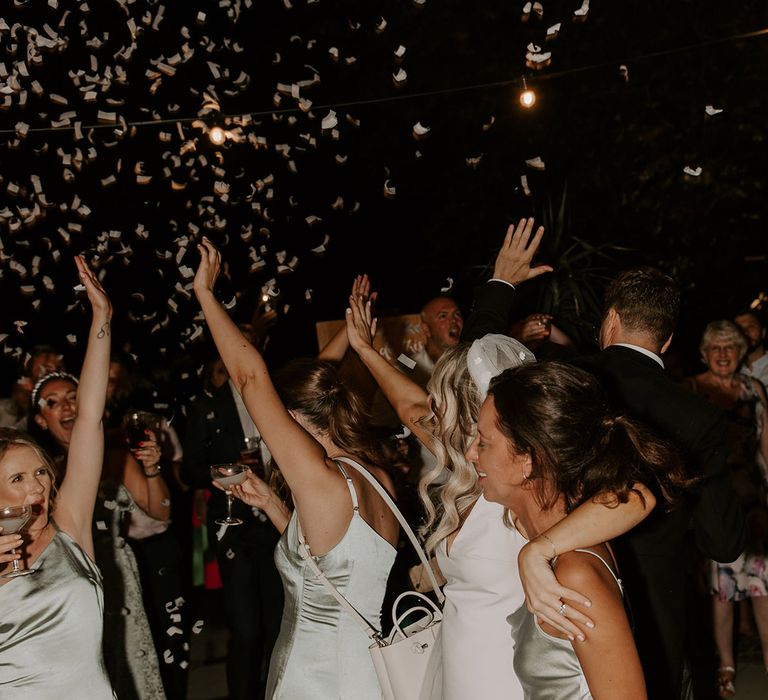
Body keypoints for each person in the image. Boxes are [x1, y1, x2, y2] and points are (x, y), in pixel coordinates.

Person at [345, 219, 656, 699]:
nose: (431, 416)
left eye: (442, 404)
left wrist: (538, 550)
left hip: (508, 678)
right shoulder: (479, 468)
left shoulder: (522, 482)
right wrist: (365, 349)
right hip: (459, 667)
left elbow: (633, 495)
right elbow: (416, 406)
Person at [192, 237, 400, 700]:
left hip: (317, 677)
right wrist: (270, 503)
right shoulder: (377, 477)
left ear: (294, 421)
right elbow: (330, 561)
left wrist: (205, 294)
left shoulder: (322, 481)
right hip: (370, 674)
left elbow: (250, 378)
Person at [467, 361, 690, 699]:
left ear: (527, 461)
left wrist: (535, 551)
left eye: (483, 442)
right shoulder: (546, 531)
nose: (470, 453)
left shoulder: (575, 574)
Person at [575, 267, 745, 699]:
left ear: (610, 319)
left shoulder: (568, 386)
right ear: (667, 341)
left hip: (567, 594)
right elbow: (723, 544)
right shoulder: (700, 416)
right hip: (656, 612)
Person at [0, 256, 115, 697]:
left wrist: (101, 320)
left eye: (41, 473)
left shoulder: (69, 525)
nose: (38, 486)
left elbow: (88, 418)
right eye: (18, 479)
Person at [28, 370, 167, 699]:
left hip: (116, 576)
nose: (67, 407)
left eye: (73, 397)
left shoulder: (117, 459)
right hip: (63, 587)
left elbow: (162, 515)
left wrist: (151, 470)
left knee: (128, 666)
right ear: (41, 420)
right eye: (54, 402)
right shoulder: (34, 474)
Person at [682, 320, 768, 695]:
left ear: (739, 352)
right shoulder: (693, 389)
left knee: (763, 583)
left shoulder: (755, 389)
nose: (722, 355)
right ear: (705, 354)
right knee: (722, 589)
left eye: (729, 348)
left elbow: (766, 444)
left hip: (753, 499)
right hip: (714, 499)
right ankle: (727, 665)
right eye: (715, 348)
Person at [734, 308, 768, 389]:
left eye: (751, 327)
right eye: (739, 329)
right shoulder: (732, 371)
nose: (745, 332)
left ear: (763, 332)